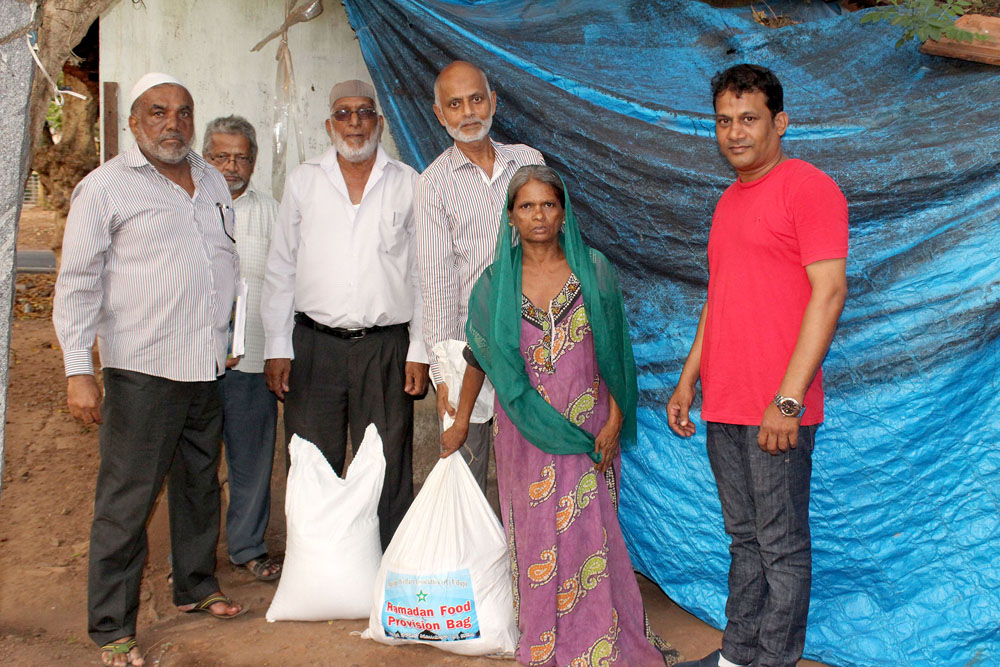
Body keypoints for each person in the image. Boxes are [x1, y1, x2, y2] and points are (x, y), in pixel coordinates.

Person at [442, 165, 674, 666]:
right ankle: (546, 643)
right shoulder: (494, 285)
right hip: (524, 433)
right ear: (510, 217)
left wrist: (614, 421)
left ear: (564, 211)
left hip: (589, 430)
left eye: (548, 204)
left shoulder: (593, 269)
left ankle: (604, 641)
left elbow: (617, 353)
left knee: (593, 533)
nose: (538, 215)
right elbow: (478, 358)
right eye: (526, 206)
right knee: (536, 537)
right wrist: (461, 421)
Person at [53, 72, 247, 667]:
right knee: (127, 500)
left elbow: (223, 263)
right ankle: (111, 625)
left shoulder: (211, 178)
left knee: (197, 484)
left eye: (183, 112)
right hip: (142, 366)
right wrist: (77, 369)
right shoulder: (105, 187)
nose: (173, 123)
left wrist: (227, 334)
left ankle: (194, 585)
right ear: (134, 121)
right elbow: (79, 279)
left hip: (205, 365)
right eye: (158, 112)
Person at [667, 64, 848, 667]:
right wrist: (691, 377)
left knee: (781, 546)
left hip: (777, 406)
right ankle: (737, 656)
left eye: (749, 119)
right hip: (726, 401)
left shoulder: (807, 187)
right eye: (724, 120)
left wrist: (789, 399)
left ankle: (773, 661)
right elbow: (719, 298)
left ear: (781, 122)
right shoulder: (727, 202)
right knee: (745, 541)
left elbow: (829, 293)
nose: (735, 132)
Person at [261, 79, 429, 550]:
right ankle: (315, 567)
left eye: (364, 112)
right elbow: (281, 268)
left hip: (386, 346)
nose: (354, 122)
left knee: (389, 462)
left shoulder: (408, 183)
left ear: (378, 122)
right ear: (329, 124)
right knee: (312, 461)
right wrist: (277, 346)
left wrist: (419, 349)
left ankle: (387, 570)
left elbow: (422, 274)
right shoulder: (303, 181)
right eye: (343, 113)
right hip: (314, 347)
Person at [414, 60, 544, 491]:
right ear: (439, 114)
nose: (468, 111)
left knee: (535, 470)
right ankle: (478, 560)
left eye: (476, 99)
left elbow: (556, 248)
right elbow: (435, 283)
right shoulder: (433, 184)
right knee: (466, 472)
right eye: (455, 104)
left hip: (536, 341)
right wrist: (442, 371)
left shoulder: (527, 162)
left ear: (494, 102)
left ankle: (529, 559)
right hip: (472, 351)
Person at [202, 115, 281, 581]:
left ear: (253, 161)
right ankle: (189, 559)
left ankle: (248, 547)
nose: (231, 166)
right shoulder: (184, 205)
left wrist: (279, 350)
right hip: (191, 363)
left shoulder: (272, 211)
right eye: (220, 156)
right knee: (195, 464)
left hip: (252, 360)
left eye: (241, 157)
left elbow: (285, 284)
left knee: (251, 460)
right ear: (204, 157)